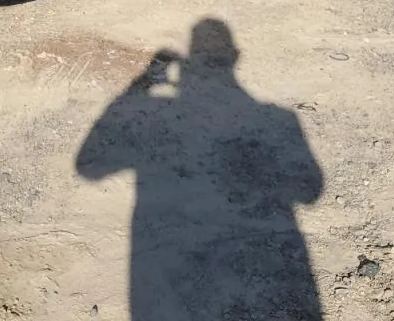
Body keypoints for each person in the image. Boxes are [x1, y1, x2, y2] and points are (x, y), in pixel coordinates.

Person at [76, 18, 324, 320]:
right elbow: (311, 191)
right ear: (235, 57)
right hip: (267, 270)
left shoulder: (159, 112)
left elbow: (88, 167)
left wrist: (136, 88)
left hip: (157, 272)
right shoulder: (281, 118)